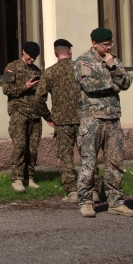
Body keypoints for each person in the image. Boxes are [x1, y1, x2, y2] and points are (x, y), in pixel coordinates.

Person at [74, 27, 133, 218]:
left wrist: (113, 68)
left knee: (115, 162)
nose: (108, 47)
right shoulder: (84, 61)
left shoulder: (114, 60)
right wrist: (112, 85)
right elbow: (88, 85)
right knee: (89, 163)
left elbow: (126, 83)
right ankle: (85, 201)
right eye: (104, 44)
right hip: (92, 119)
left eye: (110, 43)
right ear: (94, 43)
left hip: (113, 118)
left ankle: (116, 202)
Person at [36, 39, 81, 203]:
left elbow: (38, 99)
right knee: (88, 156)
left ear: (56, 53)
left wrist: (47, 116)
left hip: (61, 122)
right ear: (70, 51)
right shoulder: (81, 68)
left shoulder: (50, 72)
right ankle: (94, 190)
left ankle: (73, 191)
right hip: (84, 119)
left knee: (66, 157)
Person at [0, 41, 43, 192]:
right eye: (31, 56)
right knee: (19, 146)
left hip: (35, 113)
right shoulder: (13, 67)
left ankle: (30, 177)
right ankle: (17, 179)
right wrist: (26, 86)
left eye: (35, 57)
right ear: (24, 52)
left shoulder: (37, 71)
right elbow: (6, 89)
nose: (33, 59)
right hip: (19, 112)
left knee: (33, 147)